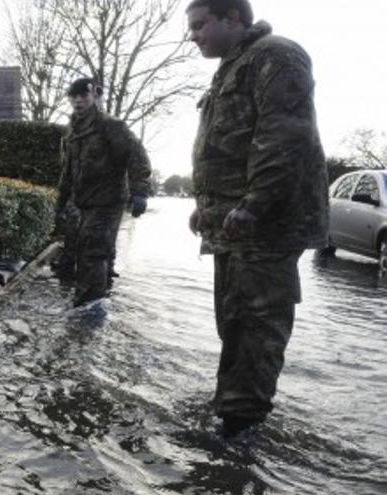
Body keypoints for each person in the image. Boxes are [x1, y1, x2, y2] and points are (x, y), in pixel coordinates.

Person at [186, 0, 329, 439]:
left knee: (255, 332)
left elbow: (284, 137)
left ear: (233, 18)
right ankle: (229, 421)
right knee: (234, 325)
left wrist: (253, 204)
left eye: (200, 25)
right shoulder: (232, 67)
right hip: (235, 229)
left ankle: (242, 438)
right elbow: (228, 147)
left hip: (266, 229)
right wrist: (206, 206)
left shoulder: (276, 55)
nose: (193, 35)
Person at [55, 75, 152, 307]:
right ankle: (101, 296)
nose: (78, 101)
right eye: (74, 96)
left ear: (94, 95)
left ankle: (89, 310)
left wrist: (140, 191)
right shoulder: (71, 133)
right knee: (86, 248)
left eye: (84, 95)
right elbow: (67, 171)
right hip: (84, 202)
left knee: (92, 250)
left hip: (108, 201)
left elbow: (136, 154)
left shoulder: (110, 126)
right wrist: (61, 201)